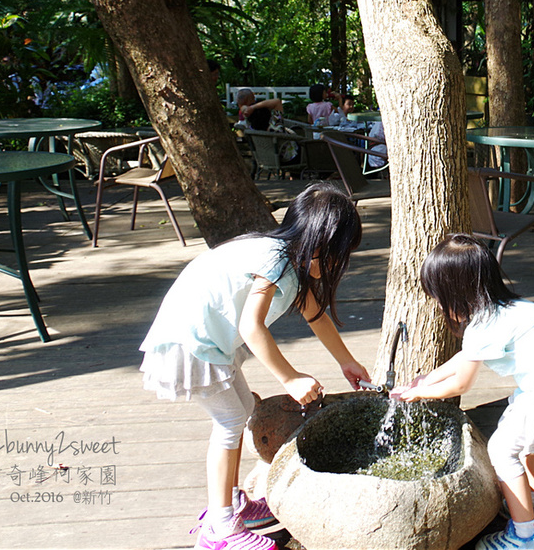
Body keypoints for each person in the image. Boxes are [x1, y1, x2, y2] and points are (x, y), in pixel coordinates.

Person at [139, 185, 371, 550]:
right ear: (321, 243)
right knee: (229, 423)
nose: (336, 263)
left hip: (209, 340)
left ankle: (231, 506)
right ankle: (220, 529)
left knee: (244, 410)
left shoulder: (290, 256)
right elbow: (251, 326)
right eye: (339, 254)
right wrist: (290, 378)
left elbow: (315, 315)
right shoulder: (277, 261)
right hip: (191, 341)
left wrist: (347, 361)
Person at [391, 234, 534, 550]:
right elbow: (465, 358)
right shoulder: (510, 308)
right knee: (520, 437)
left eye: (438, 296)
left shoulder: (482, 327)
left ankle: (525, 537)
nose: (438, 304)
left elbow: (462, 384)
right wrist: (425, 380)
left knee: (502, 450)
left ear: (456, 292)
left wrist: (421, 394)